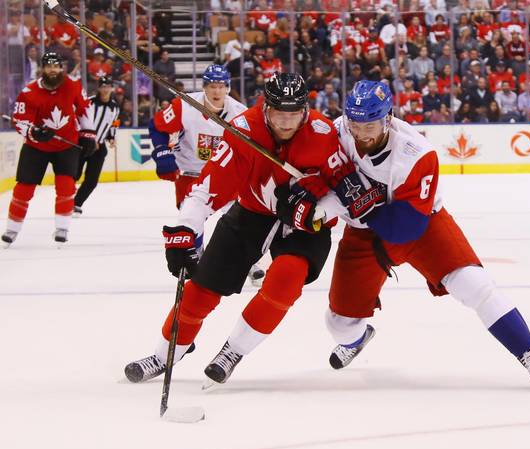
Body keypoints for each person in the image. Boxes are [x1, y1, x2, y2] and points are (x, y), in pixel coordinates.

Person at [320, 80, 530, 391]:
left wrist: (361, 204)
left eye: (370, 124)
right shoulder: (338, 130)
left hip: (422, 226)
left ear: (388, 119)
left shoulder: (417, 153)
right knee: (337, 323)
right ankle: (356, 339)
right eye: (355, 123)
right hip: (363, 234)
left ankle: (528, 351)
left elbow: (407, 227)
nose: (361, 133)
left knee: (476, 286)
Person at [124, 73, 354, 385]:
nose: (286, 124)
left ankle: (233, 350)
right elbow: (207, 188)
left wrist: (313, 206)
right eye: (279, 115)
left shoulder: (323, 133)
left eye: (293, 115)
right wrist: (184, 228)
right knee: (201, 289)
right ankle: (164, 354)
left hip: (306, 226)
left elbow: (345, 191)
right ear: (265, 108)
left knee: (285, 280)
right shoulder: (244, 130)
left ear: (304, 110)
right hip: (251, 212)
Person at [148, 64, 265, 284]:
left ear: (228, 88)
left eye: (221, 86)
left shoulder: (240, 113)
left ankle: (248, 261)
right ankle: (196, 260)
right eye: (212, 85)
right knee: (191, 218)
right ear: (204, 87)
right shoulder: (184, 104)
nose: (217, 91)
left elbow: (251, 147)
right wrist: (163, 154)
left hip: (225, 174)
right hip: (192, 174)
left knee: (240, 217)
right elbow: (157, 127)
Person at [2, 52, 96, 247]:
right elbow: (20, 120)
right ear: (43, 68)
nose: (53, 70)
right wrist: (33, 132)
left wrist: (88, 134)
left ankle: (62, 227)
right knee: (23, 189)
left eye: (56, 66)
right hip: (36, 147)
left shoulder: (73, 86)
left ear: (62, 68)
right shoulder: (29, 92)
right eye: (49, 66)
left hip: (66, 144)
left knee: (65, 186)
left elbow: (84, 108)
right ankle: (12, 228)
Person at [73, 76, 120, 216]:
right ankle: (65, 201)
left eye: (108, 86)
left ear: (112, 88)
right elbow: (78, 120)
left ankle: (76, 203)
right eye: (103, 86)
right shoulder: (89, 103)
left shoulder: (115, 107)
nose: (105, 89)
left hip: (99, 148)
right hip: (82, 144)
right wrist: (88, 139)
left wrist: (111, 137)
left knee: (92, 181)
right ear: (99, 88)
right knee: (74, 175)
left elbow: (113, 123)